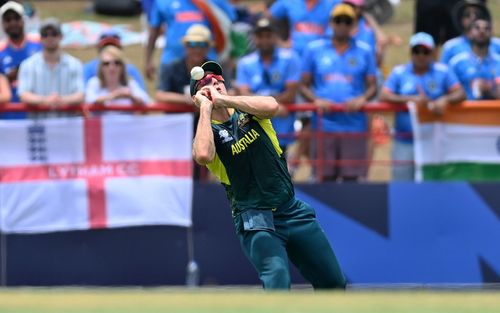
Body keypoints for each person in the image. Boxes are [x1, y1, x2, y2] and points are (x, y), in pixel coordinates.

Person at [191, 60, 346, 290]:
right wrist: (205, 108)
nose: (215, 85)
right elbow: (202, 154)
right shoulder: (209, 132)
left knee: (333, 283)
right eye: (207, 83)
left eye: (218, 81)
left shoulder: (250, 112)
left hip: (291, 210)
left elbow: (272, 106)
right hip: (255, 220)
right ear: (198, 95)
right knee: (277, 281)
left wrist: (225, 100)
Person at [301, 3, 377, 182]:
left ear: (353, 24)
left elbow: (373, 86)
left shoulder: (365, 51)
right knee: (323, 178)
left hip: (354, 125)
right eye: (338, 20)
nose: (342, 25)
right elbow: (302, 85)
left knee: (352, 179)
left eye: (347, 21)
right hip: (323, 124)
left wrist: (362, 98)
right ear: (331, 23)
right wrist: (316, 99)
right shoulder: (314, 49)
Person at [379, 32, 465, 180]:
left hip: (433, 141)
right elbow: (384, 95)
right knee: (402, 184)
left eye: (425, 51)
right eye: (416, 51)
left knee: (433, 185)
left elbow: (461, 94)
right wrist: (410, 99)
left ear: (432, 53)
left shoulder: (442, 71)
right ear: (411, 52)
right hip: (404, 140)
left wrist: (444, 100)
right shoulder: (399, 72)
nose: (420, 55)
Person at [235, 17, 300, 155]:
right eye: (260, 36)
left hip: (281, 129)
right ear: (254, 37)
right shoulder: (245, 63)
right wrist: (273, 107)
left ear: (275, 36)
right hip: (253, 130)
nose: (264, 40)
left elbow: (290, 94)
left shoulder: (290, 58)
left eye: (268, 36)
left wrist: (258, 101)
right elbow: (244, 95)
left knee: (281, 171)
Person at [144, 0, 236, 80]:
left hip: (207, 61)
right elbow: (154, 30)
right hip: (172, 60)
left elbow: (231, 26)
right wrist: (148, 60)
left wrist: (233, 56)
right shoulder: (162, 1)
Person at [18, 18, 84, 118]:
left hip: (67, 126)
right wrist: (45, 100)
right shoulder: (27, 65)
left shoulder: (75, 64)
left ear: (61, 36)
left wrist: (61, 100)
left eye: (54, 33)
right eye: (45, 34)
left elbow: (80, 95)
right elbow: (24, 95)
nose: (50, 37)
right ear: (40, 38)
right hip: (39, 128)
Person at [0, 1, 41, 119]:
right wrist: (7, 78)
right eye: (8, 20)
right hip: (8, 116)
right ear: (3, 24)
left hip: (38, 113)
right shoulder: (0, 50)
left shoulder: (39, 44)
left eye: (16, 18)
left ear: (23, 20)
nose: (13, 23)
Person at [85, 45, 151, 115]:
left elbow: (146, 102)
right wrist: (115, 95)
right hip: (102, 125)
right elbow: (89, 101)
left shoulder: (131, 84)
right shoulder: (94, 83)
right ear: (101, 67)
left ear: (122, 66)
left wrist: (131, 96)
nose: (111, 67)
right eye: (106, 64)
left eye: (116, 63)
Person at [449, 18, 500, 100]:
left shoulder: (498, 62)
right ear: (469, 34)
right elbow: (446, 92)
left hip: (494, 112)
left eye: (486, 28)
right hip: (465, 112)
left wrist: (488, 88)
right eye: (477, 28)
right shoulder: (456, 63)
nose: (482, 31)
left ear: (491, 34)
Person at [440, 0, 500, 64]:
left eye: (477, 14)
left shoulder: (497, 45)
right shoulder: (450, 47)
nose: (473, 17)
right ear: (461, 20)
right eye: (467, 14)